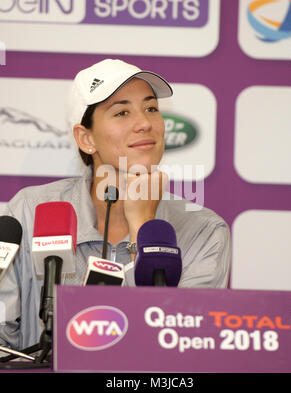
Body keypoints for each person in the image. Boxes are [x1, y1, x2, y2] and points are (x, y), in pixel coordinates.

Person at [0, 59, 231, 352]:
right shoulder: (29, 212)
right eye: (122, 112)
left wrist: (143, 229)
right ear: (86, 139)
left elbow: (178, 349)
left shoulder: (204, 230)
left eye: (151, 108)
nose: (145, 123)